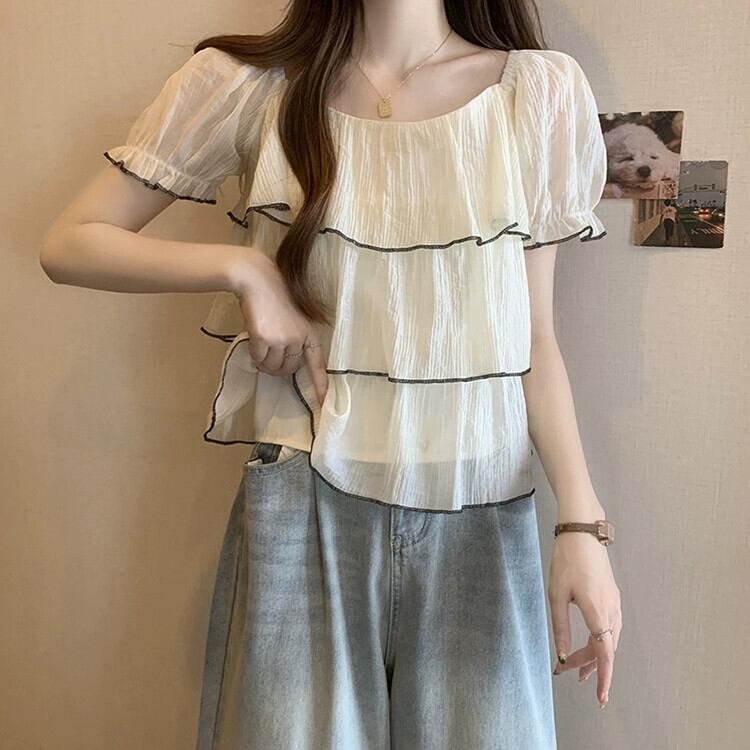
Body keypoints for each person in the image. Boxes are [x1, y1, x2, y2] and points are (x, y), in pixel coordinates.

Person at [39, 1, 622, 747]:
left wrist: (582, 527)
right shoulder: (252, 87)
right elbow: (71, 244)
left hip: (480, 502)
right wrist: (244, 270)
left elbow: (535, 340)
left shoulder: (537, 92)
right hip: (302, 501)